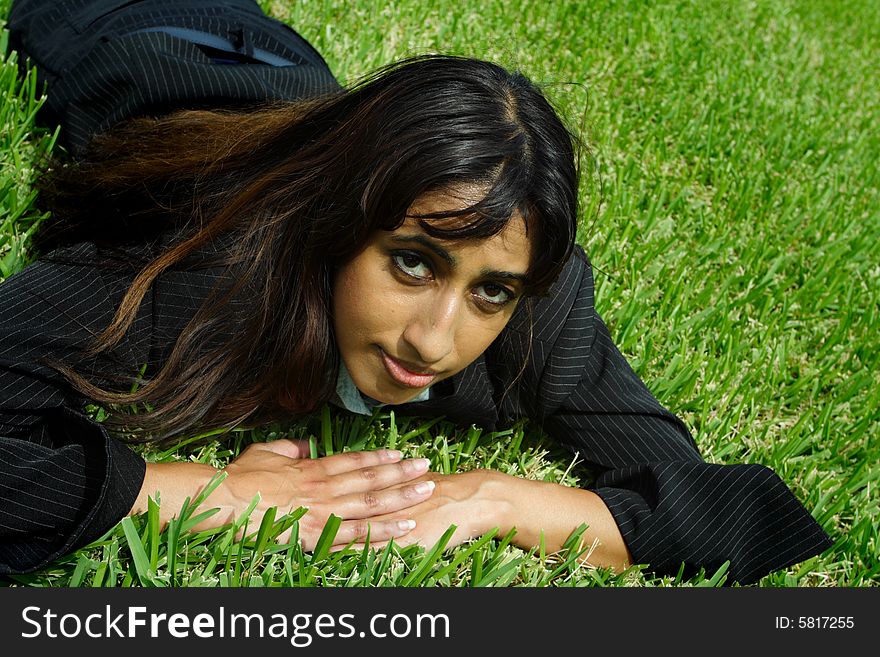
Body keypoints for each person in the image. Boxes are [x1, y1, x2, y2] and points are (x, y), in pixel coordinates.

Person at [0, 0, 832, 584]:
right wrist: (207, 495)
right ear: (338, 223)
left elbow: (727, 507)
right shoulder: (199, 259)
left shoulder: (536, 307)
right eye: (412, 263)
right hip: (121, 26)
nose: (434, 342)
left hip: (282, 62)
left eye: (491, 292)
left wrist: (494, 498)